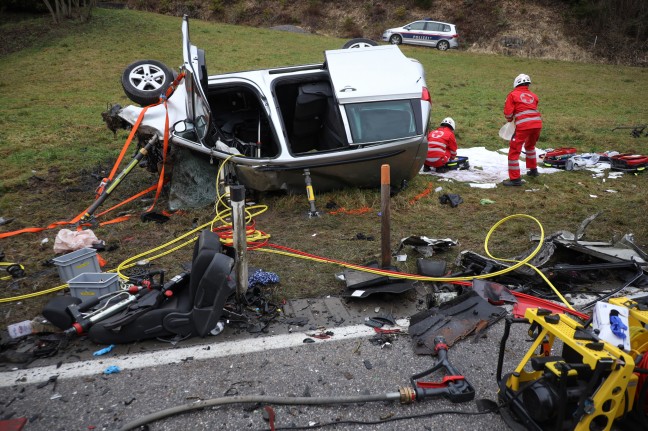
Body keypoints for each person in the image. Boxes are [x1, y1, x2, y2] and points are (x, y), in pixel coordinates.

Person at [502, 73, 543, 186]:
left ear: (516, 83)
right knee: (530, 146)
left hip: (524, 126)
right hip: (537, 124)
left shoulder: (512, 95)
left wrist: (510, 120)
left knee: (514, 151)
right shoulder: (534, 96)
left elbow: (508, 112)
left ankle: (515, 179)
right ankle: (533, 170)